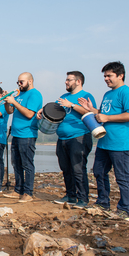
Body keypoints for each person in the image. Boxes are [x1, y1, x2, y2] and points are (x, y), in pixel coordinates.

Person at [79, 61, 129, 221]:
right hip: (104, 141)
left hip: (119, 142)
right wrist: (92, 110)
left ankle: (124, 210)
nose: (106, 79)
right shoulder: (107, 94)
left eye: (109, 76)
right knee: (99, 172)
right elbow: (103, 113)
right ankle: (103, 202)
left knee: (122, 176)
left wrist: (107, 117)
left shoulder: (128, 93)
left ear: (120, 75)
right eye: (104, 76)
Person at [38, 71, 96, 209]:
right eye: (66, 80)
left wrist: (72, 105)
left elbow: (91, 113)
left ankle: (83, 199)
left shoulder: (86, 96)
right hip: (62, 138)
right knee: (66, 168)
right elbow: (54, 110)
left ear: (78, 81)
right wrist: (42, 110)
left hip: (79, 137)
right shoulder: (64, 97)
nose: (66, 82)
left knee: (78, 169)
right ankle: (70, 195)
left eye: (69, 80)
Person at [4, 73, 43, 202]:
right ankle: (18, 190)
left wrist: (14, 101)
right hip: (16, 133)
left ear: (30, 81)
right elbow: (10, 111)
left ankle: (28, 193)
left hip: (27, 134)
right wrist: (7, 101)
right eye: (18, 82)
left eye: (21, 82)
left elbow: (29, 114)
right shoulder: (19, 95)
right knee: (16, 164)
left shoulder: (34, 94)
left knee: (27, 164)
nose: (19, 85)